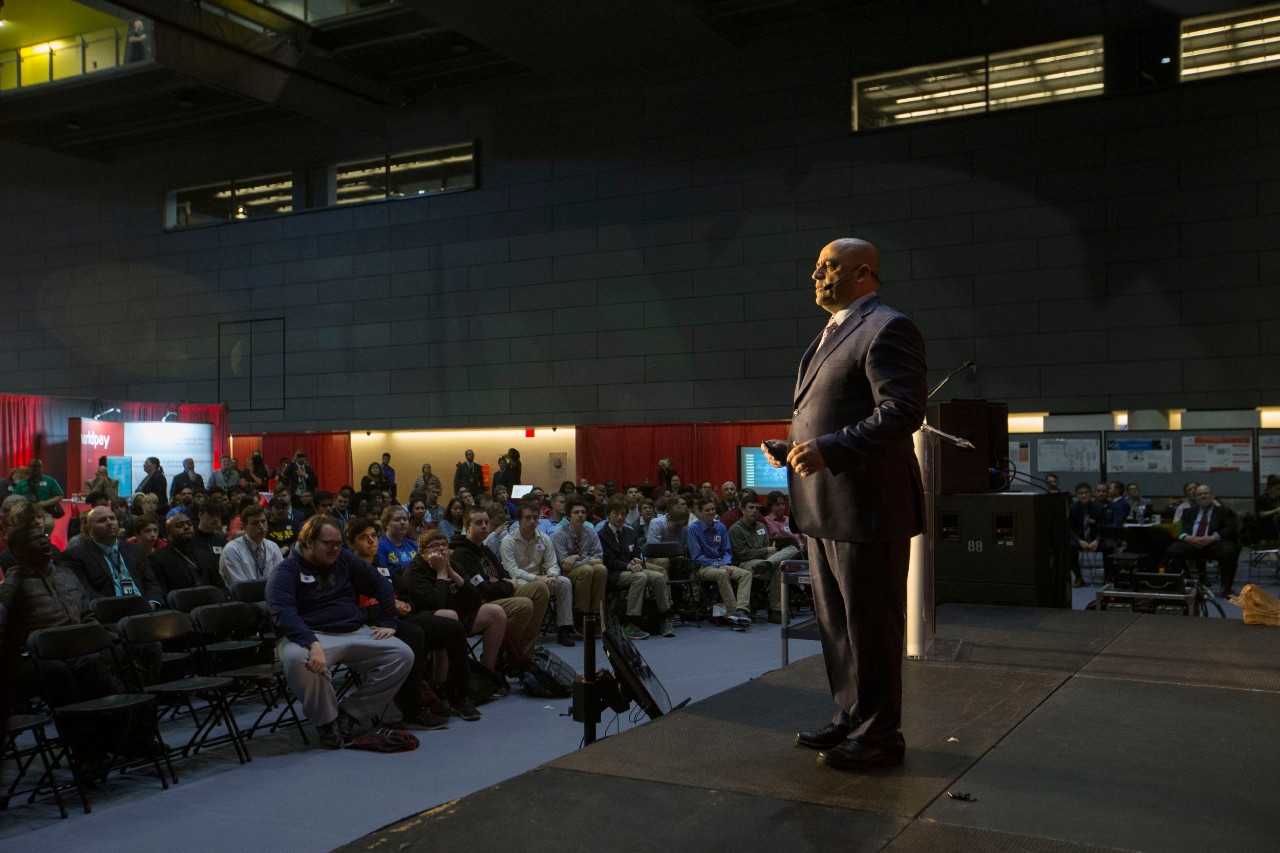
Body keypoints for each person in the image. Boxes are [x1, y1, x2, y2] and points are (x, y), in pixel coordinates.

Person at [762, 237, 926, 772]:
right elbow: (833, 412)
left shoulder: (887, 326)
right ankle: (849, 714)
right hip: (825, 506)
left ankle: (881, 735)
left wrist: (830, 449)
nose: (816, 276)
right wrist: (794, 450)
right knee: (836, 622)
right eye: (815, 268)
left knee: (870, 625)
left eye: (827, 268)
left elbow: (901, 412)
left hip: (867, 508)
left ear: (862, 273)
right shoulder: (830, 333)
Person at [267, 515, 414, 748]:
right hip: (308, 634)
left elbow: (381, 585)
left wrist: (389, 622)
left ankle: (350, 714)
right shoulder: (285, 571)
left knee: (402, 654)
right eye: (328, 544)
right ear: (307, 542)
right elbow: (283, 614)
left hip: (353, 630)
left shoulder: (344, 559)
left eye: (338, 543)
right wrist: (311, 642)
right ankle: (327, 724)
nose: (335, 548)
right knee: (298, 659)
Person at [448, 505, 548, 657]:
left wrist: (507, 583)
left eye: (486, 522)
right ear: (467, 526)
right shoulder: (462, 554)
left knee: (540, 589)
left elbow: (504, 574)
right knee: (524, 605)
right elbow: (485, 591)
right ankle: (507, 653)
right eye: (478, 523)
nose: (484, 526)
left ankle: (525, 649)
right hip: (481, 604)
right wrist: (508, 584)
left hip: (500, 593)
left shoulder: (484, 549)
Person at [500, 502, 577, 647]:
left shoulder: (544, 538)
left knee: (564, 582)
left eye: (535, 518)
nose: (532, 522)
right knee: (537, 586)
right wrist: (537, 578)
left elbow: (552, 563)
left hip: (542, 579)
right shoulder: (508, 541)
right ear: (519, 520)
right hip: (520, 582)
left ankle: (564, 628)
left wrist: (552, 575)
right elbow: (512, 570)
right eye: (528, 518)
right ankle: (527, 632)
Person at [599, 497, 675, 640]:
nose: (620, 517)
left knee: (658, 577)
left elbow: (636, 551)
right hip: (614, 573)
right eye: (616, 513)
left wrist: (636, 559)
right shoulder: (602, 535)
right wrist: (628, 565)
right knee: (640, 577)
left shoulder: (630, 532)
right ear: (608, 514)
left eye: (623, 514)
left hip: (633, 568)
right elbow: (608, 560)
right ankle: (630, 622)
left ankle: (665, 617)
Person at [61, 506, 165, 606]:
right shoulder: (75, 556)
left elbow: (151, 584)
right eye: (102, 520)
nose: (110, 523)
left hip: (144, 609)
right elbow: (85, 593)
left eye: (112, 518)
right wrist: (120, 607)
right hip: (109, 614)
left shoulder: (135, 549)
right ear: (89, 528)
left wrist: (151, 604)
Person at [686, 497, 753, 629]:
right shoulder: (693, 529)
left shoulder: (720, 527)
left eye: (713, 509)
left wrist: (726, 564)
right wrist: (718, 565)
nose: (711, 512)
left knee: (746, 574)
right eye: (707, 510)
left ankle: (742, 610)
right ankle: (732, 614)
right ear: (699, 513)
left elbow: (727, 551)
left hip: (723, 564)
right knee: (722, 574)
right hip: (703, 567)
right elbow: (696, 556)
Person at [1162, 484, 1240, 596]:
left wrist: (1211, 538)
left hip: (1213, 544)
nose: (1203, 496)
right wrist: (1188, 538)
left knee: (1229, 551)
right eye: (1200, 494)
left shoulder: (1224, 511)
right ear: (1196, 497)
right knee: (1172, 551)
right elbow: (1178, 529)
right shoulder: (1188, 512)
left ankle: (1226, 589)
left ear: (1212, 496)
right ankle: (1188, 583)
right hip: (1192, 543)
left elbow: (1231, 529)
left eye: (1206, 493)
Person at [730, 498, 800, 622]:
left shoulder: (761, 526)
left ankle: (775, 611)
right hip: (746, 563)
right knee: (779, 568)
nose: (755, 511)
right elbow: (742, 554)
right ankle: (775, 610)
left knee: (793, 548)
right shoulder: (735, 529)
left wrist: (767, 556)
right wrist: (765, 551)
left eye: (757, 508)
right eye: (751, 508)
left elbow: (767, 547)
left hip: (765, 561)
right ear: (742, 509)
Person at [220, 503, 283, 586]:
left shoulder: (273, 547)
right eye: (255, 523)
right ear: (244, 527)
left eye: (263, 521)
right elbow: (240, 588)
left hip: (272, 596)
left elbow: (281, 579)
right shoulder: (232, 550)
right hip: (243, 598)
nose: (261, 526)